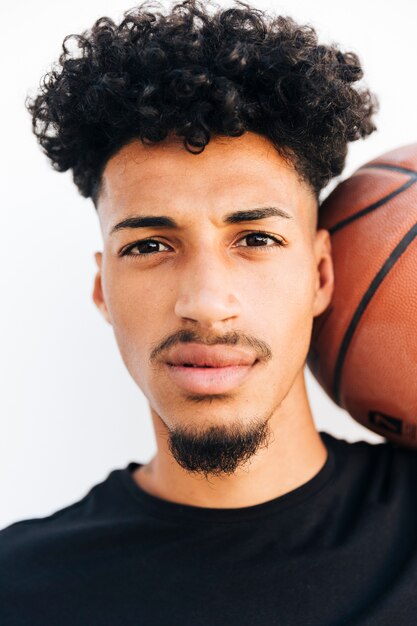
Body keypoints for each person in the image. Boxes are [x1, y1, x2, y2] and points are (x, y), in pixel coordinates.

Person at [1, 1, 416, 624]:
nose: (205, 303)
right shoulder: (18, 588)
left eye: (255, 239)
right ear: (101, 290)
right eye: (148, 246)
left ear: (321, 275)